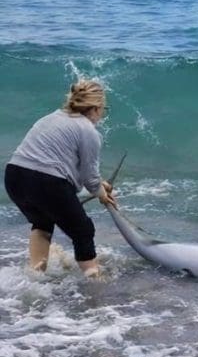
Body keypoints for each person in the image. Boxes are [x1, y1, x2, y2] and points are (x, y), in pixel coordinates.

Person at [5, 79, 118, 277]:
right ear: (97, 108)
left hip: (14, 176)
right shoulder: (88, 130)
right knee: (83, 230)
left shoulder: (50, 118)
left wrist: (99, 186)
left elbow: (56, 162)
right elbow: (89, 178)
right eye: (104, 109)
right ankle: (94, 284)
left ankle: (35, 277)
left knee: (42, 222)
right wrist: (101, 193)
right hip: (46, 181)